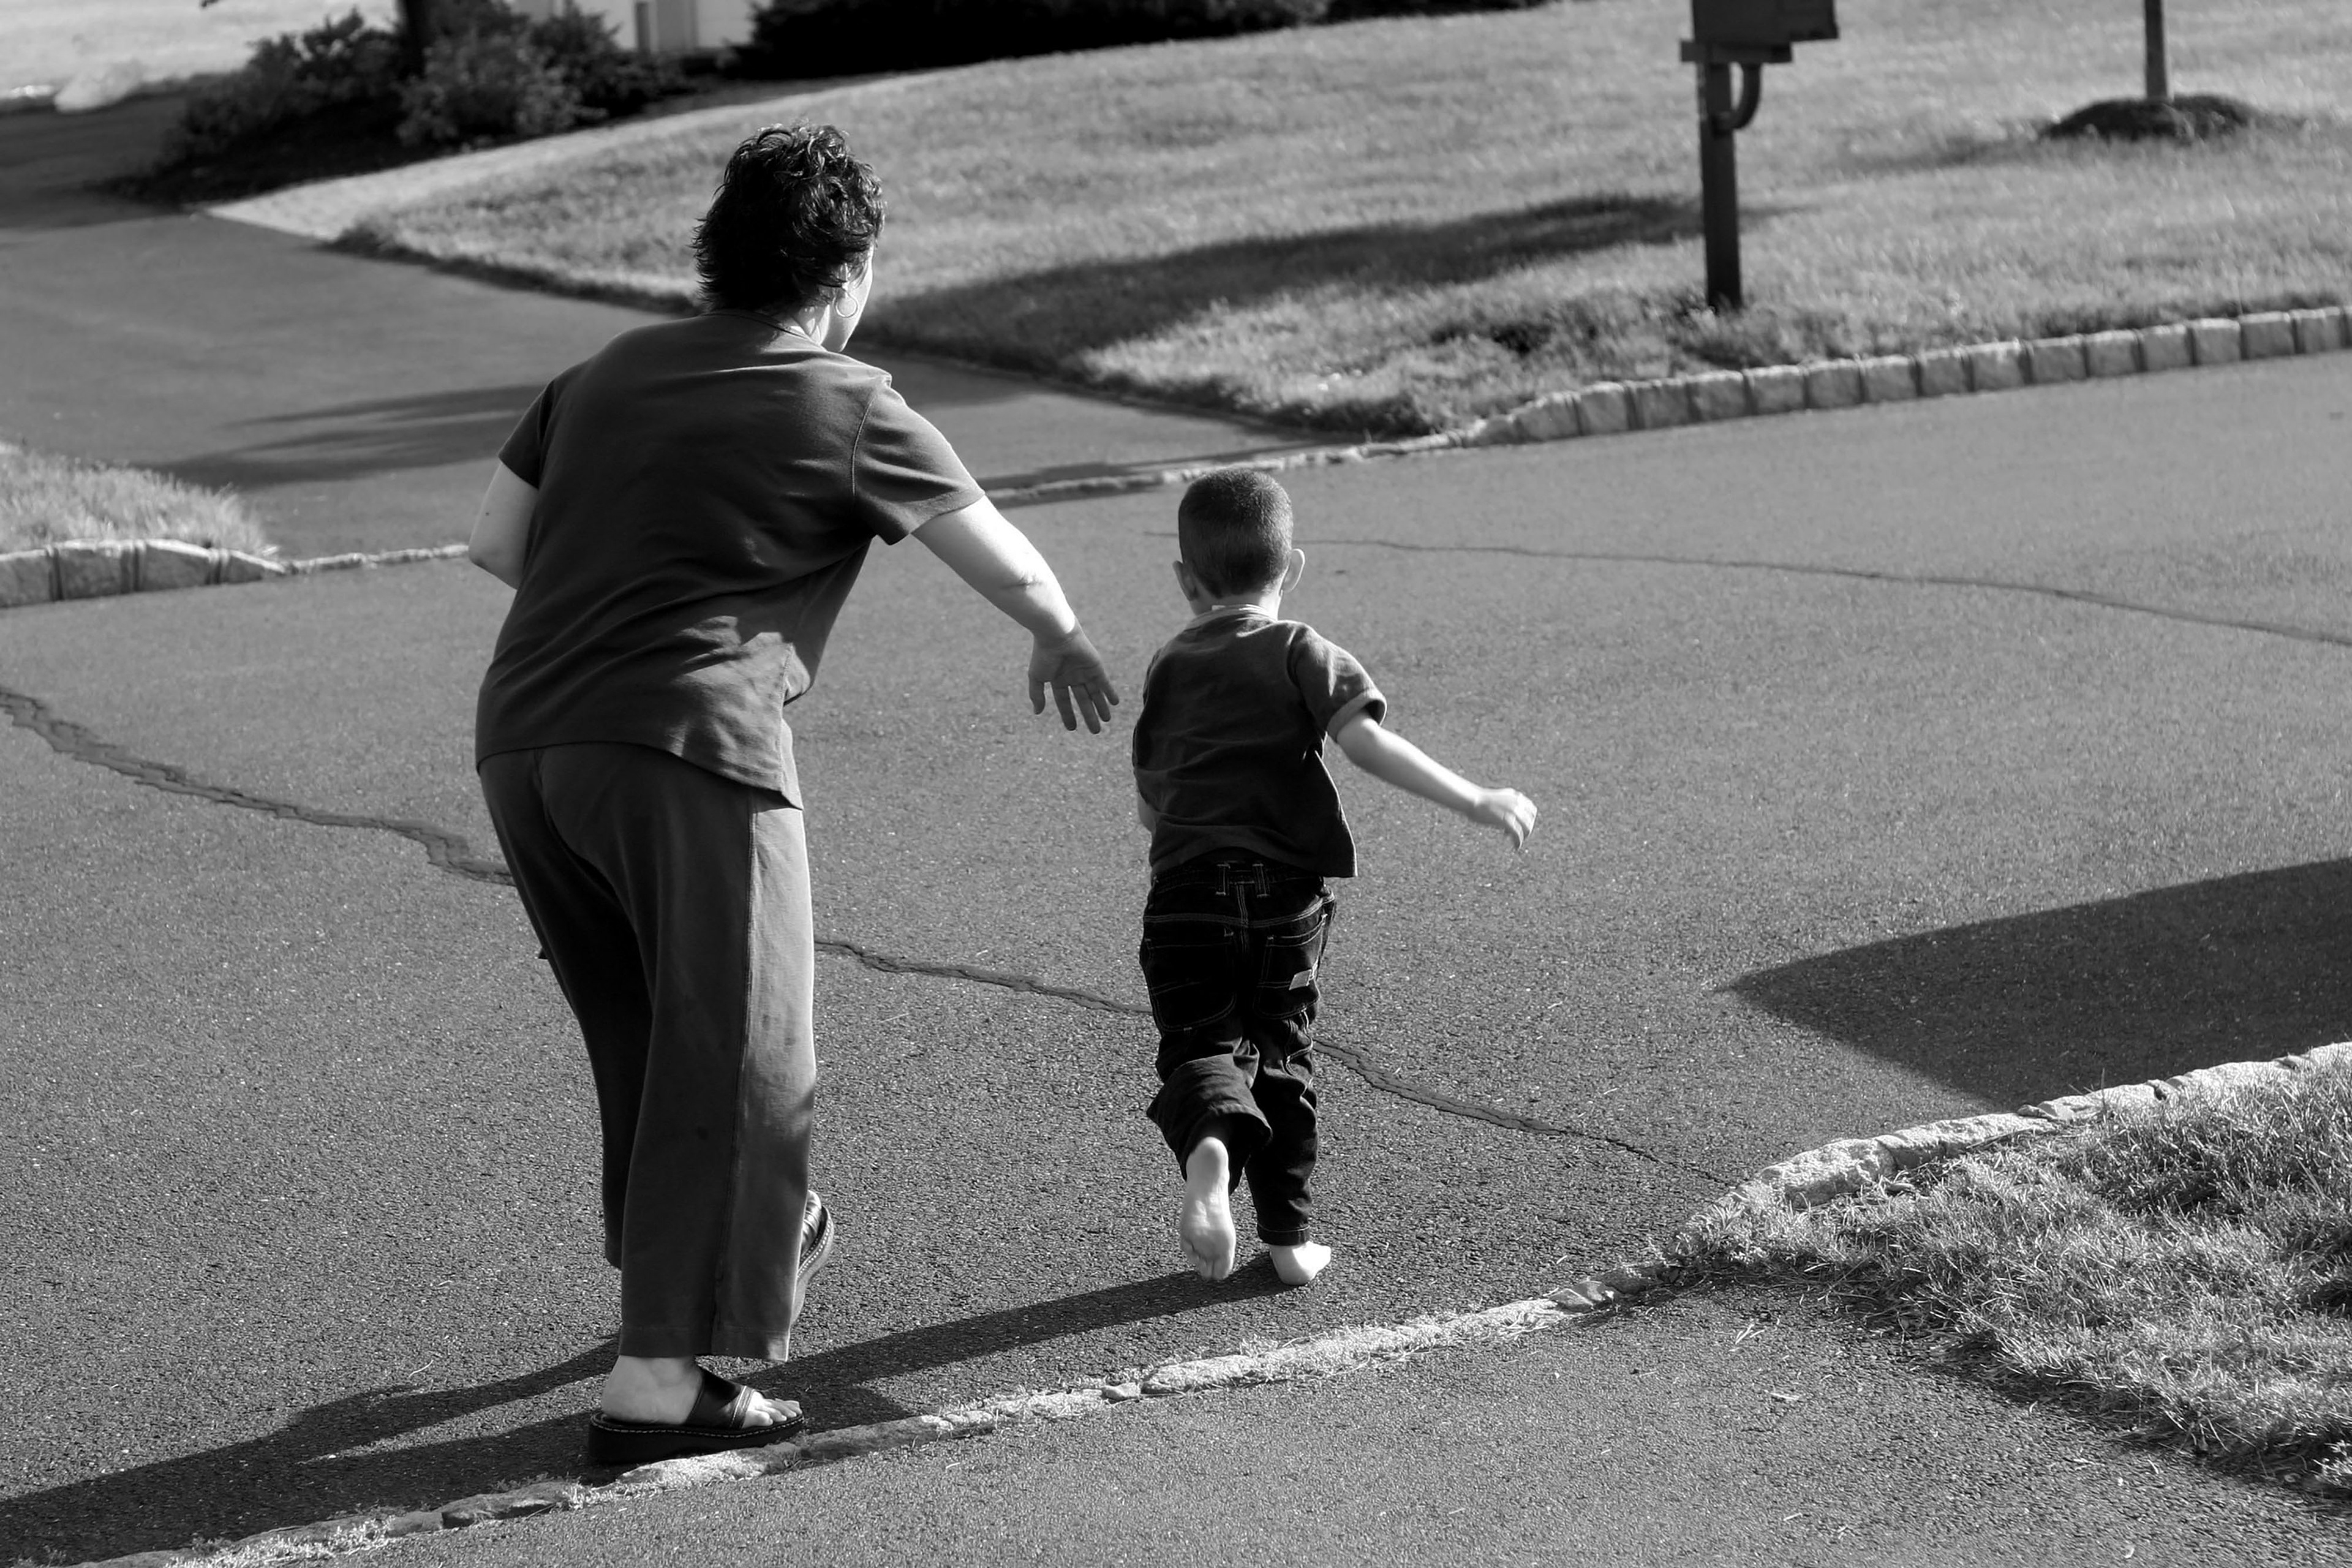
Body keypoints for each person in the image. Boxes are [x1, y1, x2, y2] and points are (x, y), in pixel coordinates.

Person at [466, 123, 1118, 1466]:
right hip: (693, 745)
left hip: (528, 738)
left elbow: (494, 543)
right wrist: (1062, 632)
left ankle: (676, 1294)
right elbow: (994, 553)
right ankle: (661, 1377)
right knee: (752, 1051)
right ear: (850, 271)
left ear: (719, 254)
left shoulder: (598, 374)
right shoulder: (847, 396)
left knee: (645, 1041)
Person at [1130, 469, 1536, 1286]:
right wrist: (1473, 798)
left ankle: (1209, 1150)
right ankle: (1288, 1239)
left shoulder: (1168, 666)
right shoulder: (1301, 650)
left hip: (1182, 892)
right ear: (1296, 568)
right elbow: (1366, 743)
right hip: (1285, 895)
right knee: (1281, 1050)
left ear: (1184, 581)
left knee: (1202, 1044)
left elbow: (1152, 798)